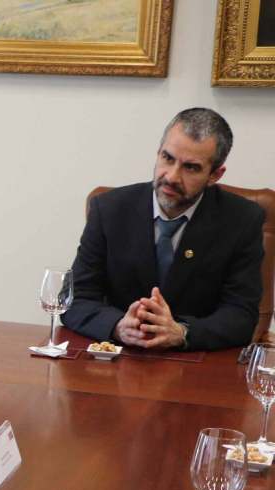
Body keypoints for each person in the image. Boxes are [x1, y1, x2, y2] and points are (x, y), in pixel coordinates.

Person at [62, 107, 264, 351]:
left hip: (195, 366)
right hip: (119, 358)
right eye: (167, 158)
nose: (172, 177)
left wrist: (182, 332)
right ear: (158, 153)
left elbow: (241, 315)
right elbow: (76, 299)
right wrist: (117, 325)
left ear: (215, 175)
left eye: (191, 167)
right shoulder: (109, 209)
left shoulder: (242, 220)